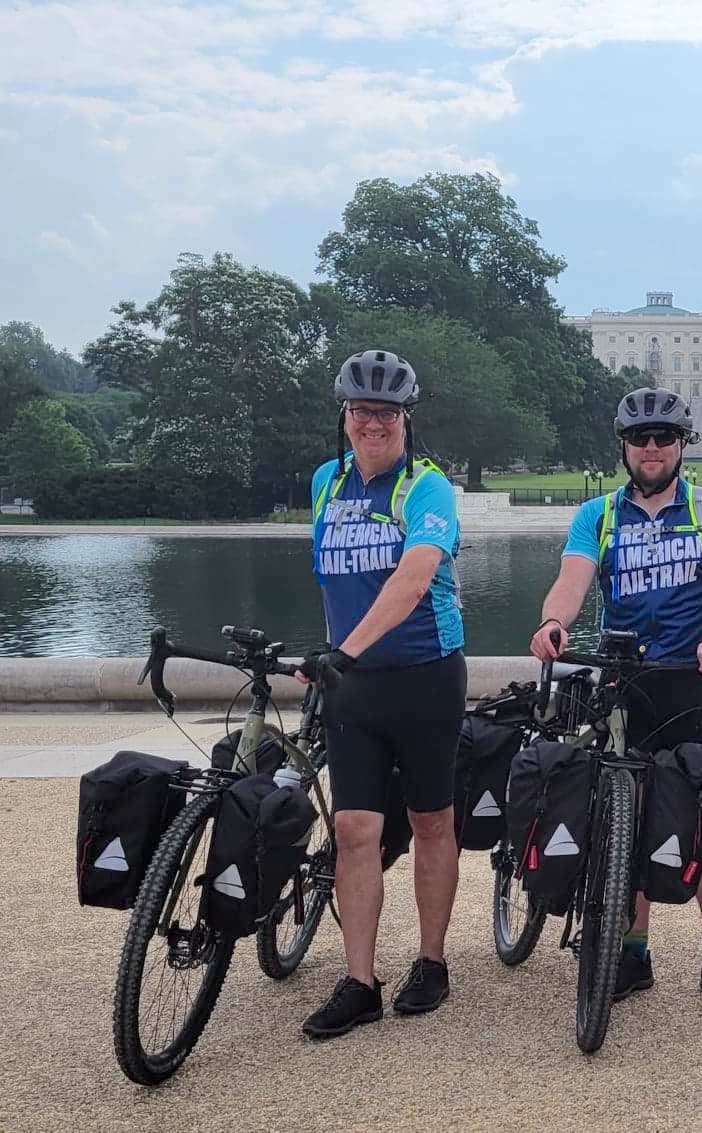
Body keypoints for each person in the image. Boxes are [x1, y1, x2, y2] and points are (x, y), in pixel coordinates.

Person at [529, 387, 702, 1008]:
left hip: (694, 674)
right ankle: (633, 952)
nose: (651, 448)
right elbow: (571, 583)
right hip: (624, 681)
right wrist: (554, 624)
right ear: (624, 447)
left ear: (683, 445)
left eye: (663, 438)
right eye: (640, 439)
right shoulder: (598, 516)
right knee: (620, 817)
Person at [297, 350, 467, 1039]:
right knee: (351, 829)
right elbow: (336, 582)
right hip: (353, 683)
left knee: (430, 821)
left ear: (405, 419)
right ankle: (359, 979)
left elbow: (411, 580)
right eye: (362, 411)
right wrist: (333, 653)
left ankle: (431, 959)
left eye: (386, 413)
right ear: (344, 415)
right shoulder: (324, 482)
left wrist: (343, 649)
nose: (373, 423)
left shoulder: (427, 489)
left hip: (425, 674)